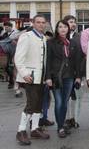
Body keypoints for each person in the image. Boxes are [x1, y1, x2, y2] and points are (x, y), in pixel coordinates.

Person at [15, 15, 50, 145]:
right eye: (38, 22)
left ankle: (35, 129)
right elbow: (18, 58)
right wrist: (24, 74)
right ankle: (21, 131)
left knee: (39, 104)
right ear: (33, 23)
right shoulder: (26, 36)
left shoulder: (44, 38)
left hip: (41, 77)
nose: (41, 25)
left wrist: (47, 77)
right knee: (31, 104)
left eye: (43, 22)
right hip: (30, 77)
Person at [45, 20, 82, 138]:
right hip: (56, 77)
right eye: (60, 27)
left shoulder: (72, 43)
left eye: (65, 27)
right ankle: (60, 127)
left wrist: (78, 77)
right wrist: (48, 77)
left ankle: (61, 124)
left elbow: (77, 61)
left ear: (68, 29)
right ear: (57, 29)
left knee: (65, 103)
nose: (62, 29)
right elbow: (48, 61)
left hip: (69, 77)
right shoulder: (51, 42)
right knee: (59, 102)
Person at [63, 15, 84, 129]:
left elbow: (81, 57)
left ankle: (75, 119)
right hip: (64, 74)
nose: (73, 24)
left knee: (77, 98)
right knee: (66, 98)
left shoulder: (80, 37)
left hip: (77, 73)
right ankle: (67, 118)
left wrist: (79, 74)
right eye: (70, 22)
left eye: (74, 22)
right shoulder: (60, 38)